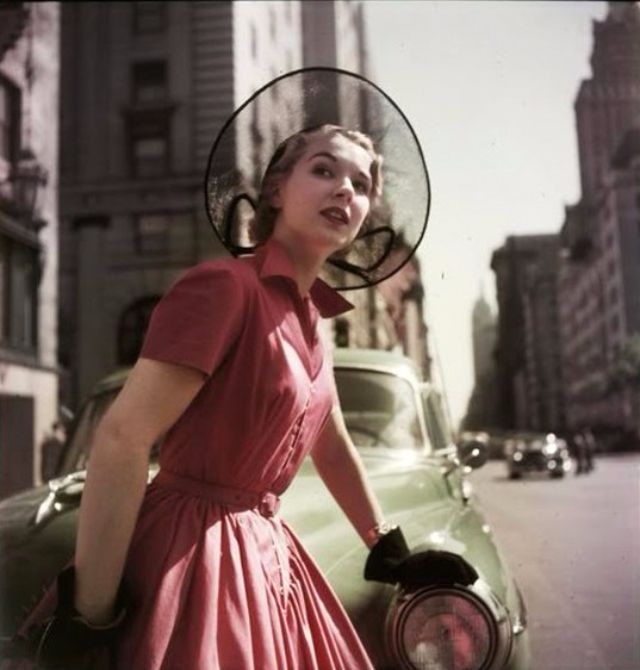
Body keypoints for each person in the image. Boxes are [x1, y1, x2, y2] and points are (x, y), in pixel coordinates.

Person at [8, 69, 473, 670]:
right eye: (324, 170)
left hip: (267, 553)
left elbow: (331, 446)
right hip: (189, 555)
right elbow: (124, 435)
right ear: (277, 189)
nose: (345, 191)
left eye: (361, 184)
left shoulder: (313, 320)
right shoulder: (224, 287)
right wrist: (92, 608)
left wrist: (386, 547)